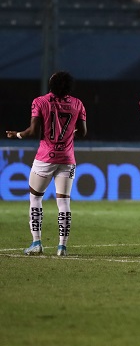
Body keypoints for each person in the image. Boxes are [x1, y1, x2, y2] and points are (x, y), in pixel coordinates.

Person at [6, 71, 87, 257]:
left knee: (35, 198)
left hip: (45, 158)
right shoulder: (78, 104)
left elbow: (33, 130)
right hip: (67, 158)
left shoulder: (40, 101)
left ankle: (37, 243)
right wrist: (69, 134)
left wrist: (18, 134)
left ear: (51, 84)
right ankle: (62, 247)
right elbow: (82, 133)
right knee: (64, 202)